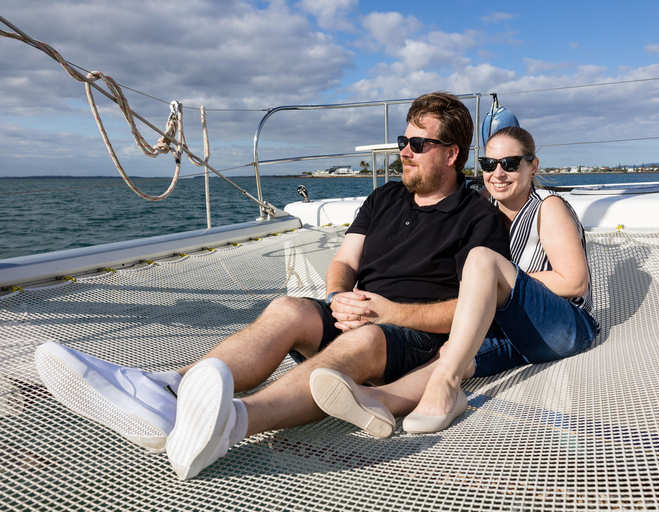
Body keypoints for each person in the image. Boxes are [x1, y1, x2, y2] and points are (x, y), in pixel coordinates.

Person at [35, 91, 510, 479]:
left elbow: (476, 306)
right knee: (287, 308)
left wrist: (388, 313)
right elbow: (345, 259)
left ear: (451, 154)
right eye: (403, 139)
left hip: (411, 342)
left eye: (418, 144)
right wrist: (338, 296)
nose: (404, 150)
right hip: (357, 315)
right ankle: (167, 392)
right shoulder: (385, 197)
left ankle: (234, 422)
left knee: (365, 337)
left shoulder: (478, 218)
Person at [308, 126, 599, 436]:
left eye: (510, 164)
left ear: (533, 166)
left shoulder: (547, 207)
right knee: (453, 352)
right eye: (489, 164)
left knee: (481, 261)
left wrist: (491, 280)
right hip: (516, 326)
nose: (498, 173)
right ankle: (379, 399)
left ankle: (445, 387)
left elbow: (574, 282)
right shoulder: (485, 207)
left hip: (565, 325)